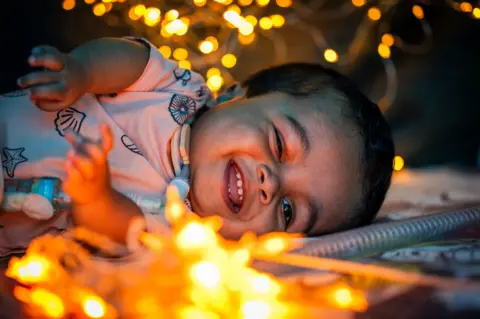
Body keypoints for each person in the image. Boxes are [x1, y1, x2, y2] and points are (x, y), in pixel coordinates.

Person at [0, 37, 394, 248]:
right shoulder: (177, 93)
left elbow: (122, 230)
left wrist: (95, 197)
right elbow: (133, 59)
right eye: (279, 144)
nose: (271, 184)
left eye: (289, 211)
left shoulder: (186, 235)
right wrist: (83, 70)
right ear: (235, 95)